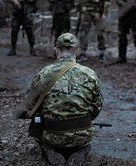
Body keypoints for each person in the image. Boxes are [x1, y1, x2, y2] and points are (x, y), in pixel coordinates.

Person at [17, 33, 103, 165]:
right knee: (86, 142)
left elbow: (29, 106)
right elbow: (96, 109)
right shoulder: (90, 74)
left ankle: (49, 150)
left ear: (56, 50)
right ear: (77, 51)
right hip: (81, 136)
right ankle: (81, 151)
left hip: (52, 136)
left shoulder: (44, 73)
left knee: (38, 126)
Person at [116, 0, 136, 65]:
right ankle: (121, 56)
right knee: (122, 35)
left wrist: (134, 5)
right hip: (123, 13)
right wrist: (123, 4)